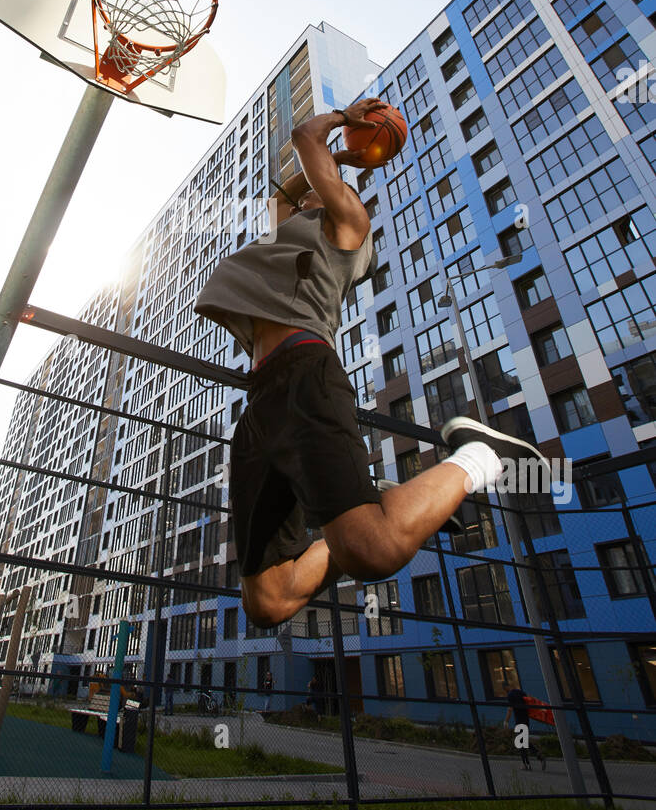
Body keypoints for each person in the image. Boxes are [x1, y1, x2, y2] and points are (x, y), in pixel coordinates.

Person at [194, 101, 552, 629]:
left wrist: (343, 123)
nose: (308, 193)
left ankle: (479, 456)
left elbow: (302, 134)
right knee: (267, 601)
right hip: (261, 403)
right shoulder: (283, 238)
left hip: (304, 377)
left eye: (326, 187)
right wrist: (336, 160)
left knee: (376, 553)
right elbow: (283, 196)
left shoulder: (348, 228)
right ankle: (377, 503)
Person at [504, 686, 546, 770]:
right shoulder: (522, 693)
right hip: (526, 719)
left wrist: (506, 721)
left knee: (521, 742)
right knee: (523, 741)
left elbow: (510, 709)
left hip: (519, 720)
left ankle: (527, 763)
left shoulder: (510, 695)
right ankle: (532, 759)